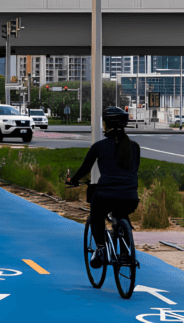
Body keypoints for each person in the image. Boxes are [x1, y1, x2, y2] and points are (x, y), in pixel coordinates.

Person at [66, 106, 140, 268]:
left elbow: (85, 169)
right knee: (122, 215)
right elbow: (134, 170)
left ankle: (100, 249)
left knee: (96, 215)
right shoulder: (134, 147)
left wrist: (73, 180)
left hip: (106, 194)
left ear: (107, 125)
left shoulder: (99, 146)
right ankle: (126, 253)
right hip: (130, 196)